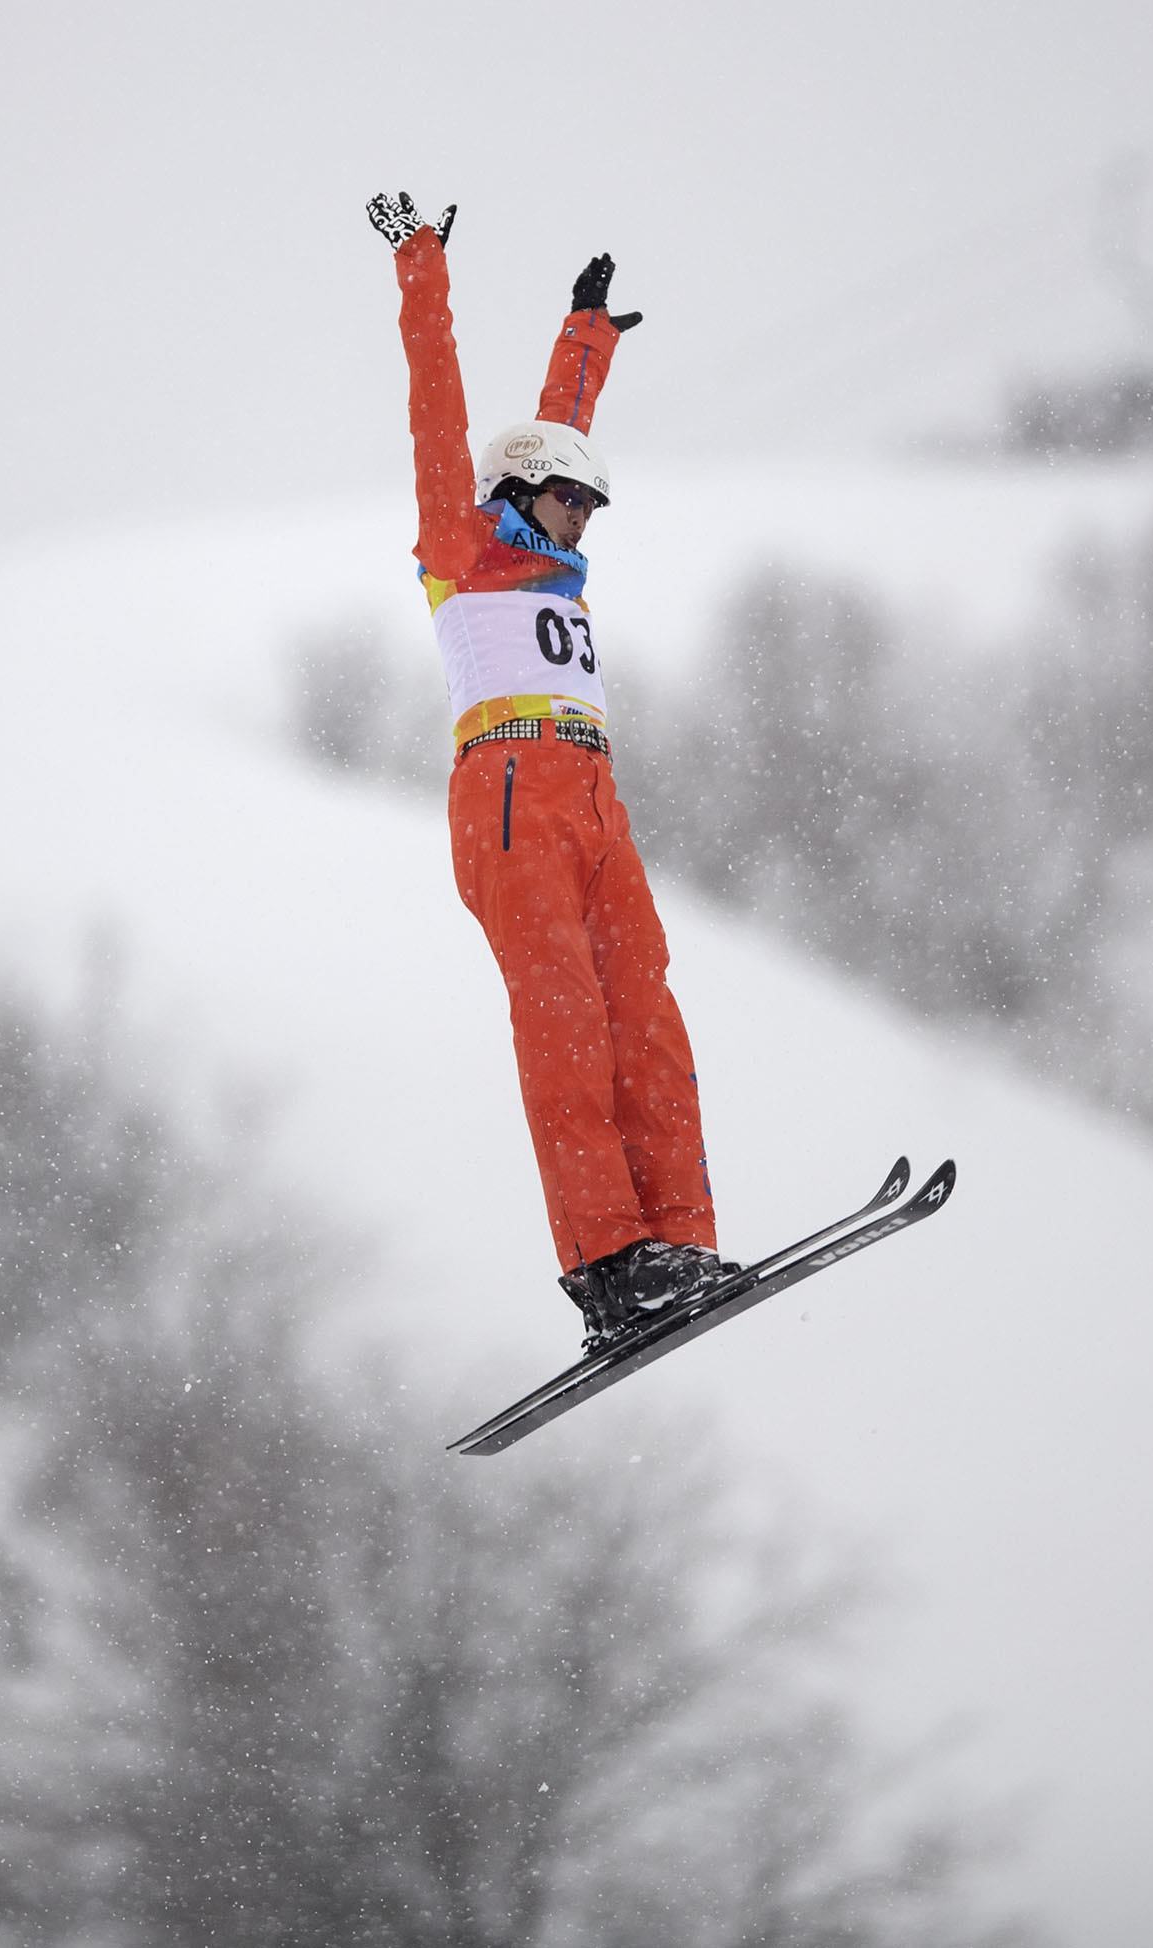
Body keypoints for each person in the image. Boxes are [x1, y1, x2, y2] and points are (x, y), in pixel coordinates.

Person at [367, 190, 734, 1350]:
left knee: (646, 1020)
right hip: (511, 798)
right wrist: (423, 265)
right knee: (568, 1032)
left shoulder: (558, 562)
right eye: (563, 498)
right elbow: (446, 413)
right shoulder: (460, 545)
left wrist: (589, 337)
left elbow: (555, 432)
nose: (579, 519)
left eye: (589, 503)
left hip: (592, 797)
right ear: (514, 494)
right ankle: (607, 1265)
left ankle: (678, 1236)